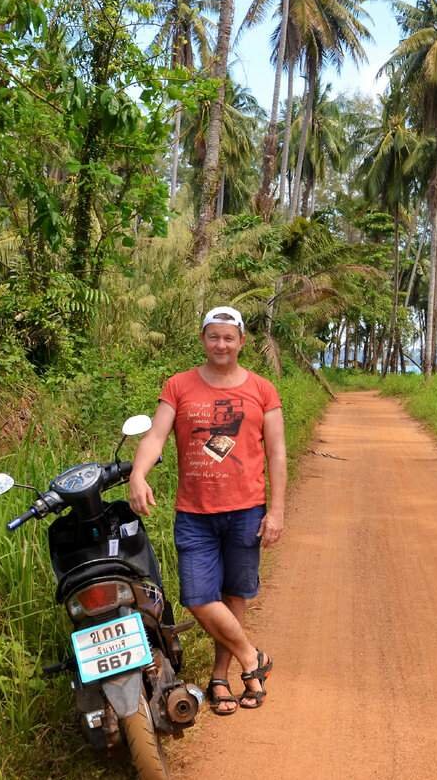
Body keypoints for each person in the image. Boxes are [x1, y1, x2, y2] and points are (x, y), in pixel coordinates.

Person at [128, 306, 287, 715]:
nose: (221, 344)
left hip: (247, 510)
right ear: (203, 339)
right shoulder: (179, 386)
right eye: (213, 337)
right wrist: (138, 475)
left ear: (241, 342)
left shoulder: (262, 389)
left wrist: (277, 511)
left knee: (234, 595)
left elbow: (277, 453)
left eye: (228, 337)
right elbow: (155, 436)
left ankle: (220, 679)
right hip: (195, 513)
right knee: (199, 597)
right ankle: (254, 660)